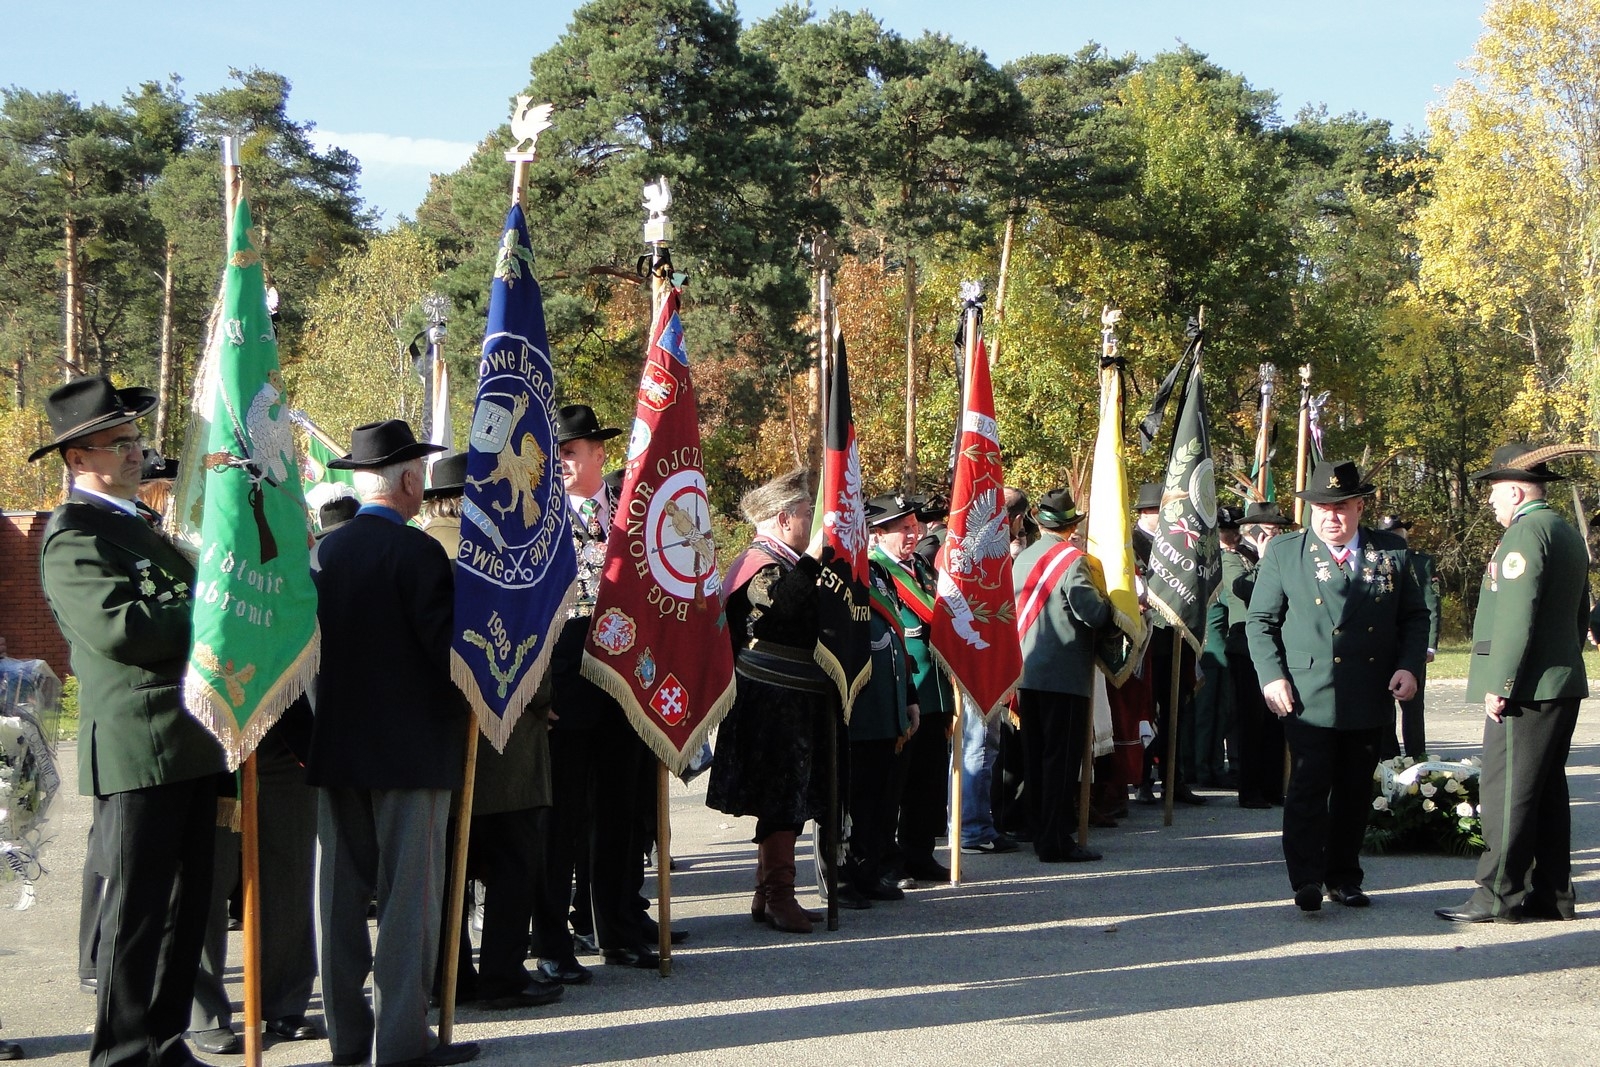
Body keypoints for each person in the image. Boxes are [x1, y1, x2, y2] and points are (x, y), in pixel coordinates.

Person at [33, 375, 226, 1067]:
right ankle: (120, 1054)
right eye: (119, 442)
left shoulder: (137, 525)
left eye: (137, 438)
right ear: (77, 457)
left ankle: (166, 1041)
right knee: (137, 915)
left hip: (191, 742)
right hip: (137, 746)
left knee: (186, 909)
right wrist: (215, 614)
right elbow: (122, 630)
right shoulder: (73, 534)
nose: (136, 451)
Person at [306, 419, 480, 1067]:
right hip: (411, 753)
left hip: (338, 750)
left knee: (339, 902)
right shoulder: (418, 554)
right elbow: (449, 655)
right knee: (409, 901)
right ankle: (401, 1043)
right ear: (409, 479)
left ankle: (348, 1040)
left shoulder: (322, 553)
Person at [1246, 460, 1429, 912]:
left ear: (1360, 507)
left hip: (1369, 689)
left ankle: (1344, 876)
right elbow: (1260, 621)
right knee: (1308, 786)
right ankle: (1306, 877)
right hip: (1306, 693)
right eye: (1322, 507)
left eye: (1341, 506)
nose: (1331, 515)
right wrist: (1272, 677)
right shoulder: (1286, 553)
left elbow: (1414, 616)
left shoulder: (1392, 553)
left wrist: (1409, 667)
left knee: (1352, 790)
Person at [421, 452, 567, 1003]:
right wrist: (541, 699)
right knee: (511, 864)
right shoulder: (495, 551)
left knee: (444, 870)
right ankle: (503, 973)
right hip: (506, 737)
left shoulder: (421, 547)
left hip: (439, 737)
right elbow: (532, 635)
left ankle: (448, 976)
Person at [1437, 443, 1590, 924]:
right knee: (1545, 793)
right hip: (1557, 681)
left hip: (1526, 689)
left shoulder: (1525, 535)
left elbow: (1516, 617)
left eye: (1495, 493)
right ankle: (1552, 895)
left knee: (1508, 794)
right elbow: (1578, 610)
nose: (1490, 502)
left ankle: (1495, 895)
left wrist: (1501, 682)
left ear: (1518, 490)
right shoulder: (1562, 530)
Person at [532, 404, 659, 973]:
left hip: (623, 679)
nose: (560, 461)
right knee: (560, 822)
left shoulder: (630, 519)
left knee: (621, 812)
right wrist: (537, 692)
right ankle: (554, 941)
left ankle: (618, 926)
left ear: (598, 455)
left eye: (571, 450)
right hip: (563, 683)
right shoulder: (535, 517)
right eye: (556, 451)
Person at [706, 470, 833, 934]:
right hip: (769, 700)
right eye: (804, 515)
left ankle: (768, 892)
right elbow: (783, 607)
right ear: (783, 520)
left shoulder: (779, 560)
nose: (809, 523)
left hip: (791, 697)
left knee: (790, 794)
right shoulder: (759, 565)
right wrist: (815, 558)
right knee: (780, 794)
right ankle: (779, 894)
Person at [1012, 488, 1112, 862]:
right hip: (1065, 675)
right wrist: (1110, 607)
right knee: (1061, 760)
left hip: (1027, 671)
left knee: (1035, 757)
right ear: (1072, 526)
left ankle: (1039, 828)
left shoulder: (1021, 558)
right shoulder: (1074, 561)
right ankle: (1054, 840)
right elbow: (1092, 613)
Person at [869, 494, 960, 883]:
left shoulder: (921, 565)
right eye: (903, 528)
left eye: (914, 526)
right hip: (904, 687)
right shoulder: (875, 571)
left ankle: (919, 852)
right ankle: (889, 859)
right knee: (896, 782)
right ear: (879, 533)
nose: (913, 533)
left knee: (930, 778)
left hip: (935, 686)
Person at [1132, 482, 1205, 806]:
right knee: (1145, 713)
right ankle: (1142, 778)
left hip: (1175, 640)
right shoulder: (1130, 542)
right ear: (1147, 513)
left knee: (1175, 714)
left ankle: (1174, 781)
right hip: (1144, 641)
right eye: (1159, 512)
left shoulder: (1178, 543)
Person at [1225, 500, 1296, 809]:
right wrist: (1267, 559)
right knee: (1252, 722)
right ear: (1251, 531)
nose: (1276, 534)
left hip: (1276, 644)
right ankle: (1249, 789)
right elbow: (1244, 589)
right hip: (1244, 646)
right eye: (1271, 529)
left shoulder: (1277, 558)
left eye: (1279, 529)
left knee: (1275, 720)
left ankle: (1271, 786)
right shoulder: (1234, 558)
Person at [1376, 514, 1439, 759]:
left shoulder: (1420, 562)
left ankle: (1417, 757)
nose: (1396, 538)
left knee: (1413, 709)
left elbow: (1431, 604)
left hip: (1412, 645)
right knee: (1383, 708)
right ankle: (1389, 761)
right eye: (1390, 534)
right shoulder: (1374, 561)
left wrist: (1430, 645)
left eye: (1399, 533)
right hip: (1383, 645)